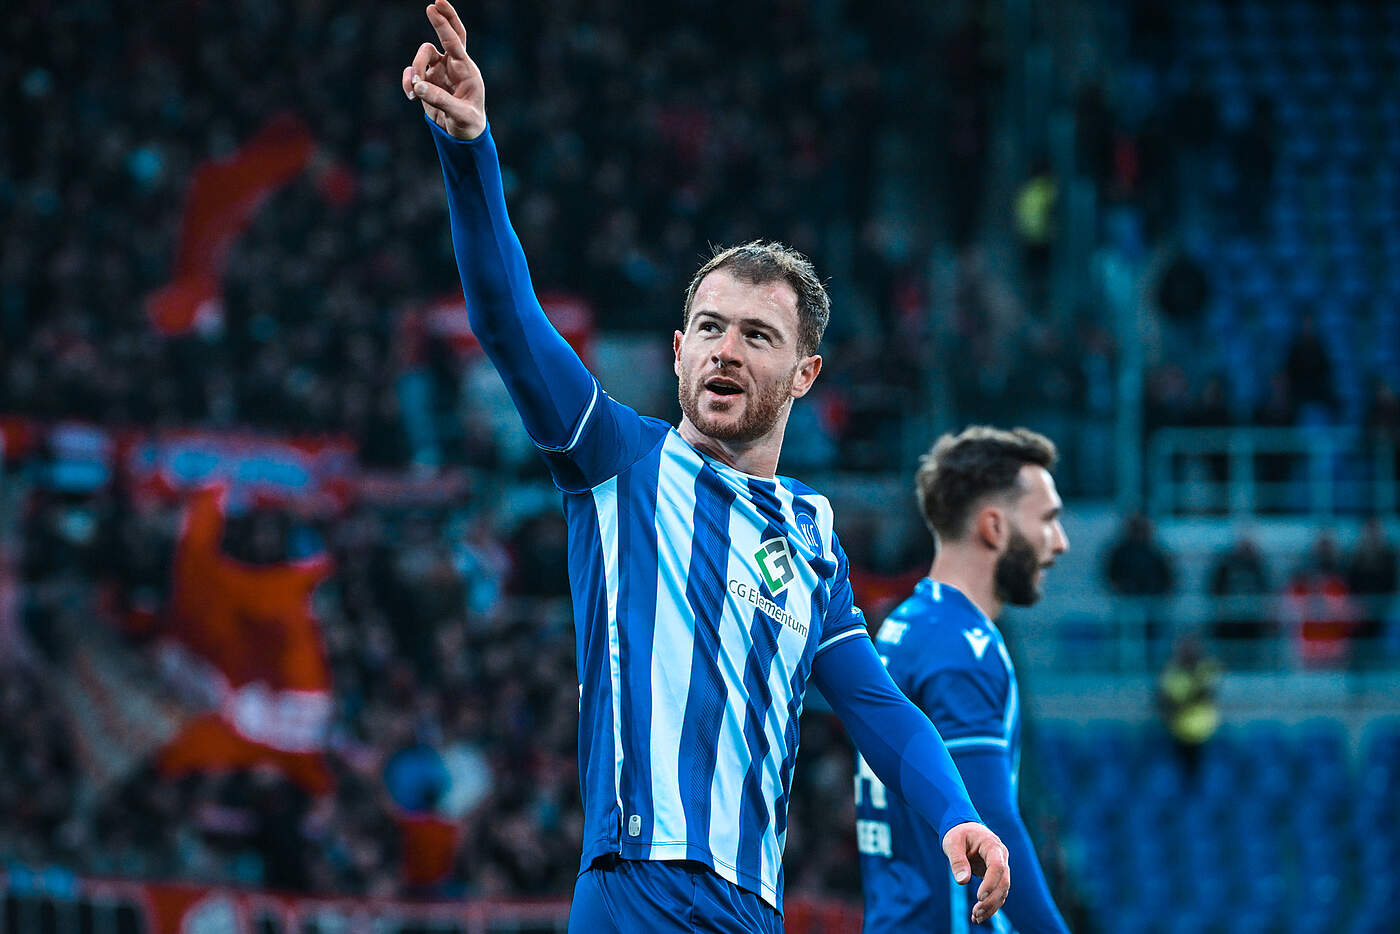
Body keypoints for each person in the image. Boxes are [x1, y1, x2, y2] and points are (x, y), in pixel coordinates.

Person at [400, 3, 1012, 931]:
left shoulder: (812, 537)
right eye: (711, 328)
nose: (727, 349)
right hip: (634, 890)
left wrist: (956, 811)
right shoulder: (616, 458)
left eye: (758, 336)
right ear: (680, 349)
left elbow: (878, 707)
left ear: (804, 375)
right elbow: (507, 320)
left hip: (752, 911)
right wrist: (470, 152)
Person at [854, 426, 1070, 933]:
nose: (1060, 542)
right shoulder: (962, 647)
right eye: (1047, 520)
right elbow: (993, 825)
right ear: (994, 527)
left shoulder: (909, 624)